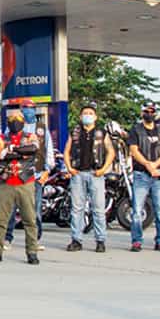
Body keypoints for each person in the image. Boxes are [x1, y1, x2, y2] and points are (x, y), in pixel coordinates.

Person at [0, 109, 42, 266]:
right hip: (6, 183)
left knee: (30, 219)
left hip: (25, 182)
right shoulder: (2, 137)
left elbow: (33, 149)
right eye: (11, 118)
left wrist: (11, 150)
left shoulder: (30, 136)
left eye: (18, 118)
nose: (14, 121)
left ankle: (32, 252)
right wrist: (19, 152)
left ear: (23, 120)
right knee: (0, 220)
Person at [62, 102, 114, 253]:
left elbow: (111, 152)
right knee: (77, 209)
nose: (88, 116)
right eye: (85, 113)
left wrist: (103, 169)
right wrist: (69, 168)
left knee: (98, 209)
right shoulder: (75, 132)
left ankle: (100, 240)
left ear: (96, 117)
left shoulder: (101, 132)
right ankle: (76, 240)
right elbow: (67, 150)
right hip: (78, 174)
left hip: (95, 174)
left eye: (91, 114)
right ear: (80, 116)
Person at [2, 99, 52, 252]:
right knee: (11, 209)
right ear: (21, 110)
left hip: (35, 175)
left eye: (31, 108)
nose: (28, 110)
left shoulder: (42, 129)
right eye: (25, 108)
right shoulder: (12, 127)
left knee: (34, 210)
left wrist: (47, 170)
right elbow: (3, 148)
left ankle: (34, 241)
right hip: (15, 173)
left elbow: (48, 149)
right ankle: (7, 238)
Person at [128, 102, 160, 252]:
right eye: (147, 111)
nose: (150, 114)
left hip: (158, 176)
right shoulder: (136, 129)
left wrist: (155, 165)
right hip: (141, 174)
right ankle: (136, 241)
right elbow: (134, 150)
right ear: (142, 113)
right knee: (137, 210)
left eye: (152, 111)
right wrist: (148, 165)